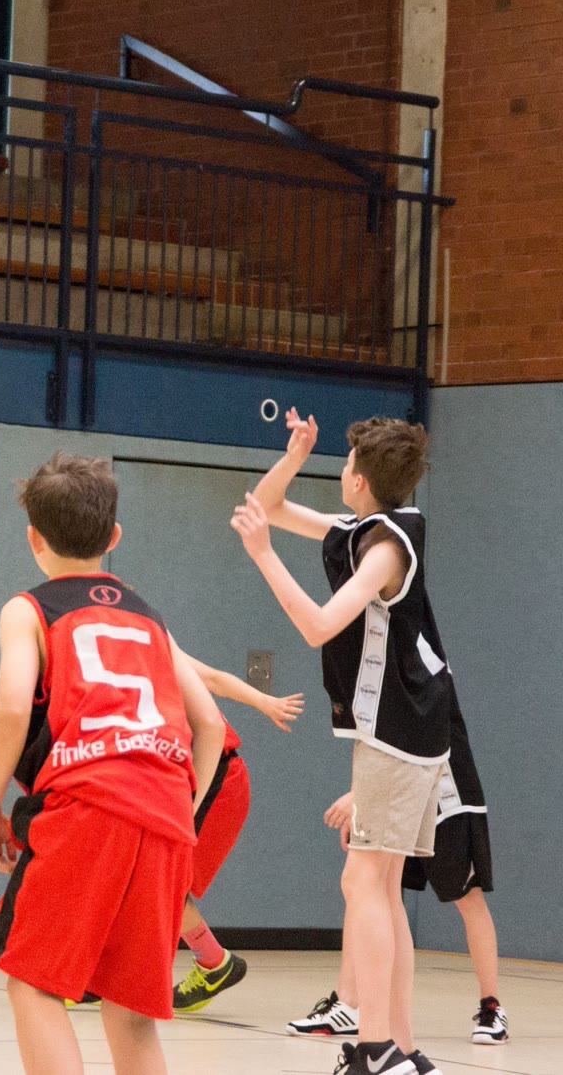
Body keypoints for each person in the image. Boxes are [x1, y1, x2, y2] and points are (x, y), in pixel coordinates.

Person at [0, 453, 227, 1075]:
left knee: (32, 985)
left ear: (33, 538)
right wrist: (181, 810)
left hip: (86, 805)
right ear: (114, 537)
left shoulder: (28, 609)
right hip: (165, 820)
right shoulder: (148, 616)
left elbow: (13, 706)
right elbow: (211, 725)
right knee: (131, 1012)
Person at [231, 409, 452, 1075]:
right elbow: (268, 506)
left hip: (400, 729)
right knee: (380, 885)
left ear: (359, 479)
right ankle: (401, 1048)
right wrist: (295, 454)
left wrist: (264, 556)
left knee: (363, 879)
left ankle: (375, 1046)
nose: (342, 469)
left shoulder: (384, 549)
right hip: (407, 728)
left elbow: (319, 625)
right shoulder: (366, 525)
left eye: (344, 461)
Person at [292, 682, 507, 1046]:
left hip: (446, 790)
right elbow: (371, 739)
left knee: (466, 896)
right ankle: (350, 1004)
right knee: (367, 886)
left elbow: (416, 730)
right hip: (393, 786)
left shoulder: (415, 664)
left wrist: (362, 794)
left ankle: (492, 1006)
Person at [167, 659, 303, 1012]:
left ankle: (212, 963)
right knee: (144, 879)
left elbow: (213, 679)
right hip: (175, 779)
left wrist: (264, 701)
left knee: (162, 883)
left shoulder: (151, 639)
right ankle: (212, 963)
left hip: (216, 777)